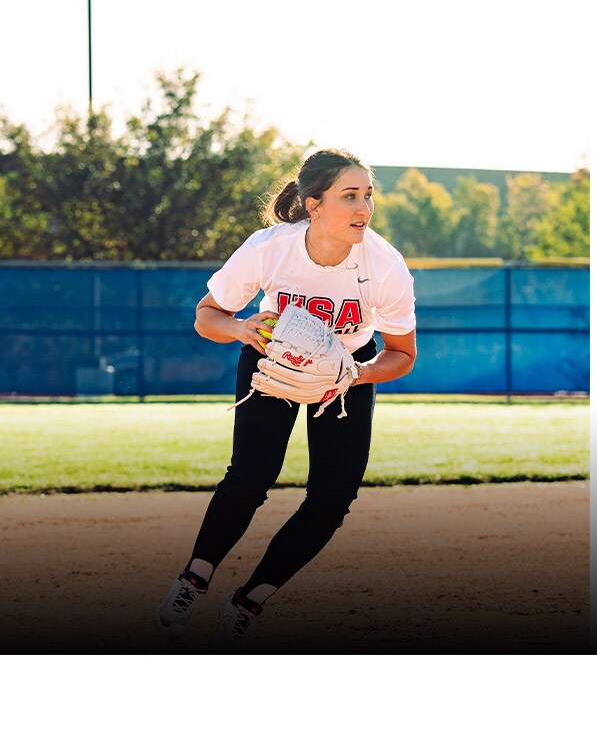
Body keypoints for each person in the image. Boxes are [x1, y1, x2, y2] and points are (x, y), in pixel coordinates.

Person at [155, 148, 417, 652]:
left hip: (345, 370)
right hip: (270, 354)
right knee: (250, 478)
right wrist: (237, 327)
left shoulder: (385, 265)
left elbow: (402, 354)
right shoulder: (269, 247)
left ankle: (248, 601)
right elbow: (205, 316)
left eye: (368, 195)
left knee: (333, 498)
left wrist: (355, 374)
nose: (364, 207)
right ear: (313, 204)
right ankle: (194, 579)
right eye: (349, 196)